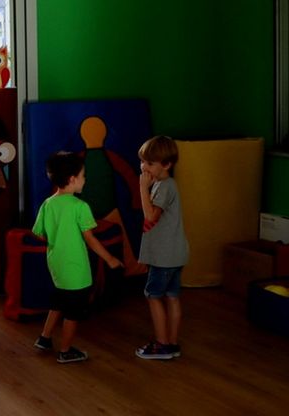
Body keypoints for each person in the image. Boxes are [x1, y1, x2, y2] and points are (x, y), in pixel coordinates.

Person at [32, 151, 123, 364]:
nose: (85, 180)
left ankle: (45, 338)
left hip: (56, 264)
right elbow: (90, 239)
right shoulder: (80, 207)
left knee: (59, 300)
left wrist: (58, 239)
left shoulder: (48, 204)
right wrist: (110, 259)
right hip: (76, 268)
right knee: (73, 311)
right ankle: (65, 350)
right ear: (72, 179)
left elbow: (39, 234)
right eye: (83, 176)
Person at [135, 135, 189, 360]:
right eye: (142, 161)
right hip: (175, 255)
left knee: (153, 296)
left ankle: (162, 344)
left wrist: (142, 188)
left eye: (149, 163)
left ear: (166, 164)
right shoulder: (165, 185)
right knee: (172, 296)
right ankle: (172, 343)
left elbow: (150, 216)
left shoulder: (163, 187)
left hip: (164, 258)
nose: (143, 167)